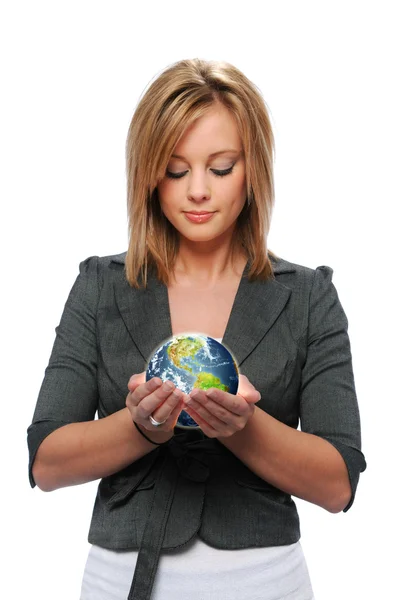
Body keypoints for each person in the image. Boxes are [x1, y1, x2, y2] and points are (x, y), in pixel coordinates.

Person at [27, 58, 366, 600]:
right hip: (121, 582)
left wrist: (243, 429)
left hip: (266, 583)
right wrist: (140, 428)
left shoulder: (308, 297)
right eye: (176, 170)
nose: (198, 191)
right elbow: (46, 462)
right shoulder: (99, 285)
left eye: (222, 167)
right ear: (148, 175)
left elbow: (338, 483)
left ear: (253, 169)